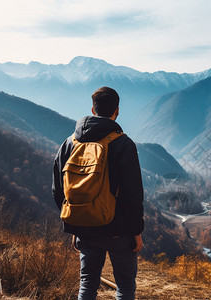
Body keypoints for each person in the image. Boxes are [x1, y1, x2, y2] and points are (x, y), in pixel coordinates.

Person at [52, 86, 144, 300]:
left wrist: (78, 218)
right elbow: (133, 194)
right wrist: (136, 231)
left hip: (85, 230)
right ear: (117, 111)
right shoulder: (123, 144)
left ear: (92, 110)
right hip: (119, 231)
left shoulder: (69, 144)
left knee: (87, 284)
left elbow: (58, 190)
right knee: (125, 286)